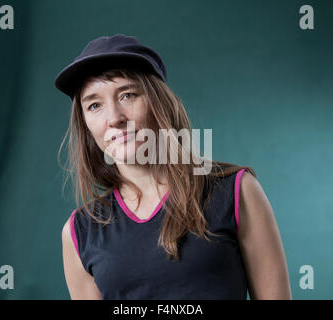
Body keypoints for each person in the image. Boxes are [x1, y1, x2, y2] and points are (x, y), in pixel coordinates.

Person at [54, 34, 291, 300]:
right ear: (85, 122)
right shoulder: (80, 231)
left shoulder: (237, 191)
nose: (114, 118)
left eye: (128, 95)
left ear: (159, 102)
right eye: (94, 105)